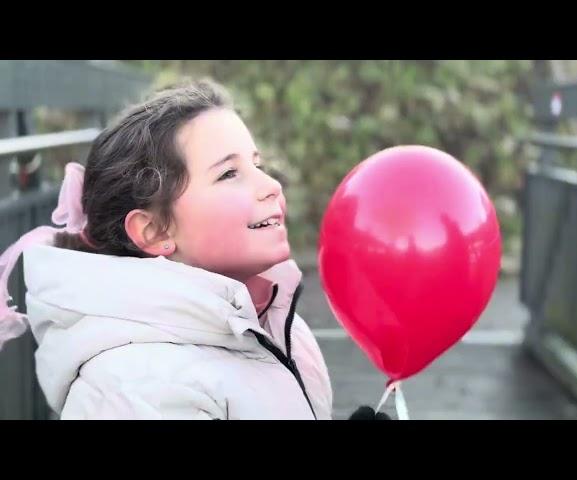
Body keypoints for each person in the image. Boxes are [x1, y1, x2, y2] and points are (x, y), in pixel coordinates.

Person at [0, 78, 338, 420]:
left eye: (257, 164)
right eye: (229, 173)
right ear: (153, 230)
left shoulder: (274, 320)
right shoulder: (134, 392)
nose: (271, 185)